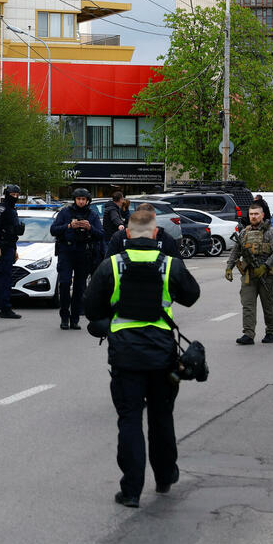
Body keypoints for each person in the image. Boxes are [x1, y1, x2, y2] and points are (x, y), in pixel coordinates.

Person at [83, 208, 201, 508]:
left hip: (125, 356)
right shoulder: (170, 264)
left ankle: (131, 490)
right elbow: (191, 296)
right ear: (156, 233)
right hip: (162, 354)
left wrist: (112, 316)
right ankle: (165, 477)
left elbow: (91, 309)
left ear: (127, 234)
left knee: (130, 420)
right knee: (162, 417)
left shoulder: (111, 265)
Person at [225, 198, 273, 345]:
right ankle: (248, 334)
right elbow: (236, 251)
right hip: (248, 275)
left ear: (262, 215)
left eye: (256, 214)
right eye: (251, 214)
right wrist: (229, 267)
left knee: (267, 305)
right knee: (248, 305)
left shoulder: (271, 232)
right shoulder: (244, 232)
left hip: (266, 275)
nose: (253, 216)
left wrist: (265, 266)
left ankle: (270, 332)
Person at [50, 187, 104, 330]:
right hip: (66, 252)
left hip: (83, 253)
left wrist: (89, 227)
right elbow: (53, 230)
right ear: (74, 200)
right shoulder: (65, 212)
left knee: (80, 287)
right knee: (65, 283)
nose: (81, 202)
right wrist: (69, 225)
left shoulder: (92, 214)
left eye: (83, 199)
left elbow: (101, 234)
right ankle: (64, 317)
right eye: (78, 199)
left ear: (87, 200)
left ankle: (75, 319)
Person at [0, 184, 25, 319]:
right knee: (5, 279)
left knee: (0, 278)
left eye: (17, 195)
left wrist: (14, 249)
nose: (14, 197)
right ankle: (5, 308)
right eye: (12, 194)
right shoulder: (1, 208)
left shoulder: (12, 209)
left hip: (9, 246)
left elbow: (12, 232)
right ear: (6, 194)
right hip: (2, 247)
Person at [107, 203, 181, 259]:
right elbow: (178, 266)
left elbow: (108, 263)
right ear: (154, 215)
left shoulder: (119, 236)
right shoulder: (165, 237)